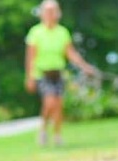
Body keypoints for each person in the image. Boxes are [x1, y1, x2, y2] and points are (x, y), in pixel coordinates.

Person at [25, 0, 97, 146]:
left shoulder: (62, 32)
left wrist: (85, 66)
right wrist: (30, 77)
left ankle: (57, 135)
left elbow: (71, 53)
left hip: (57, 73)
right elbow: (31, 57)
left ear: (58, 13)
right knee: (49, 102)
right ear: (42, 13)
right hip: (42, 73)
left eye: (53, 11)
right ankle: (44, 129)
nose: (50, 14)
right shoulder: (36, 32)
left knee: (58, 106)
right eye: (47, 11)